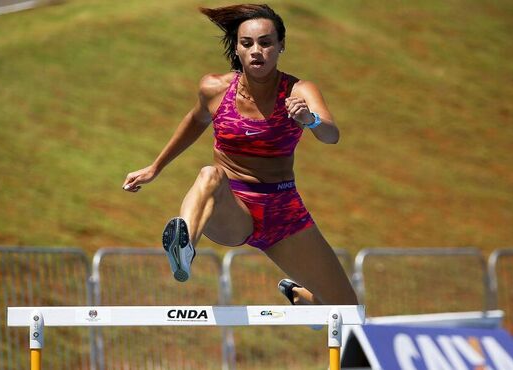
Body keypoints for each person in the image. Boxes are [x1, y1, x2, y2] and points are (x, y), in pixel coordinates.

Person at [122, 4, 357, 306]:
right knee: (210, 175)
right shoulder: (215, 89)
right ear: (237, 47)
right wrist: (155, 167)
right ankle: (184, 248)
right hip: (233, 210)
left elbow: (331, 134)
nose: (256, 51)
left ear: (281, 45)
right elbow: (195, 121)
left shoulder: (299, 90)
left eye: (266, 42)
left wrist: (308, 119)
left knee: (349, 309)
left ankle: (303, 297)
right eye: (247, 43)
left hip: (283, 213)